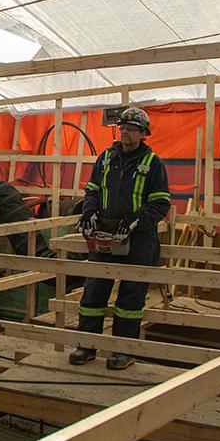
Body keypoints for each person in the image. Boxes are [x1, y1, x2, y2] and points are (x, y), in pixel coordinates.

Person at [72, 106, 172, 370]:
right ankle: (86, 345)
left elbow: (161, 202)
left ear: (142, 134)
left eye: (131, 129)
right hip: (105, 236)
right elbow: (92, 189)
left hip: (139, 241)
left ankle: (124, 351)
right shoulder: (105, 158)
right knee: (94, 291)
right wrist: (89, 210)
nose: (125, 132)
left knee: (130, 298)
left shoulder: (152, 163)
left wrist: (139, 219)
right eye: (122, 128)